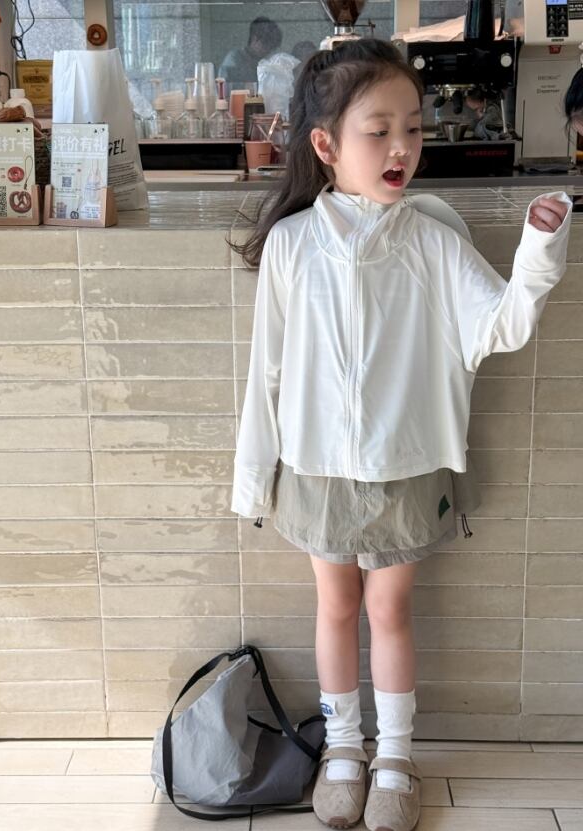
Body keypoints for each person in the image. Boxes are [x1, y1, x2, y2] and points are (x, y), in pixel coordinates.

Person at [230, 39, 571, 831]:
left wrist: (539, 249)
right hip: (315, 465)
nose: (401, 148)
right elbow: (266, 370)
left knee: (388, 609)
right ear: (326, 145)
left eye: (413, 128)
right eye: (379, 130)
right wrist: (255, 477)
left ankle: (395, 755)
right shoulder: (292, 245)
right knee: (334, 605)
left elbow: (501, 327)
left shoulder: (432, 239)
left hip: (408, 462)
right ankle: (343, 749)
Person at [218, 16, 283, 86]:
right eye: (267, 45)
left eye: (272, 48)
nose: (269, 51)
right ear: (255, 39)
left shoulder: (266, 63)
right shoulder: (234, 60)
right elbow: (223, 87)